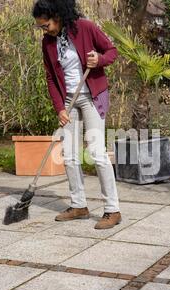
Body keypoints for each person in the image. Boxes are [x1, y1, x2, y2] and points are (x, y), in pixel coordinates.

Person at [32, 0, 121, 229]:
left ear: (57, 15)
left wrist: (98, 60)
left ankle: (112, 210)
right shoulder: (48, 43)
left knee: (96, 152)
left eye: (46, 25)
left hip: (91, 96)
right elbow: (51, 78)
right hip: (68, 99)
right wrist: (59, 108)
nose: (45, 30)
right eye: (42, 27)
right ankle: (79, 205)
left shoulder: (85, 27)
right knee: (69, 155)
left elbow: (112, 51)